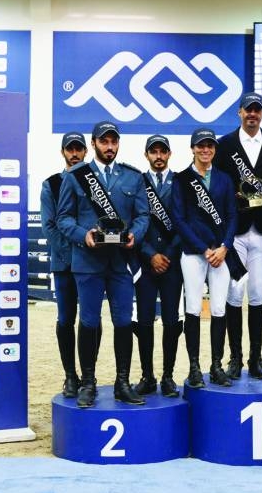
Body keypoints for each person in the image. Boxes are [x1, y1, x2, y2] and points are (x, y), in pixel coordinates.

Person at [56, 121, 149, 407]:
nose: (109, 147)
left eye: (114, 142)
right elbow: (63, 218)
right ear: (94, 143)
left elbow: (143, 216)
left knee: (123, 322)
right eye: (104, 142)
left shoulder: (132, 177)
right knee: (89, 321)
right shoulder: (76, 176)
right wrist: (83, 235)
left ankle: (122, 382)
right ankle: (88, 383)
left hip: (120, 263)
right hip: (87, 262)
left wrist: (136, 234)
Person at [215, 92, 262, 381]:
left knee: (257, 293)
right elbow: (216, 183)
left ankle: (256, 358)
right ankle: (235, 358)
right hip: (235, 231)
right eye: (248, 110)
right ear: (239, 112)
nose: (252, 114)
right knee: (234, 292)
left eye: (257, 110)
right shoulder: (225, 145)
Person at [172, 127, 241, 388]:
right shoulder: (182, 180)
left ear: (214, 149)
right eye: (200, 145)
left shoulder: (224, 179)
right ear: (192, 148)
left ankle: (216, 365)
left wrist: (225, 246)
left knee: (219, 309)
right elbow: (179, 219)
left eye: (210, 145)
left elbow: (233, 216)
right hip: (194, 253)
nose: (205, 150)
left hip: (221, 254)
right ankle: (194, 367)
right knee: (192, 308)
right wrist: (203, 248)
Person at [133, 134, 184, 397]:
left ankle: (167, 376)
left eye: (163, 151)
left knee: (172, 321)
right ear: (147, 155)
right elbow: (134, 221)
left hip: (172, 263)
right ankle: (147, 376)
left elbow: (184, 222)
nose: (158, 156)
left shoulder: (181, 182)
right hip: (145, 262)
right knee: (143, 322)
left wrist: (167, 254)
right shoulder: (137, 182)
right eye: (154, 152)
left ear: (169, 154)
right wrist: (151, 254)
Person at [41, 132, 88, 399]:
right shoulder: (52, 184)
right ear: (63, 152)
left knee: (90, 320)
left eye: (78, 149)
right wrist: (75, 254)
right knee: (66, 319)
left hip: (92, 265)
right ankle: (71, 376)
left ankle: (89, 375)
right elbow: (50, 227)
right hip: (66, 265)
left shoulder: (94, 183)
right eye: (70, 149)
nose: (74, 153)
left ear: (85, 151)